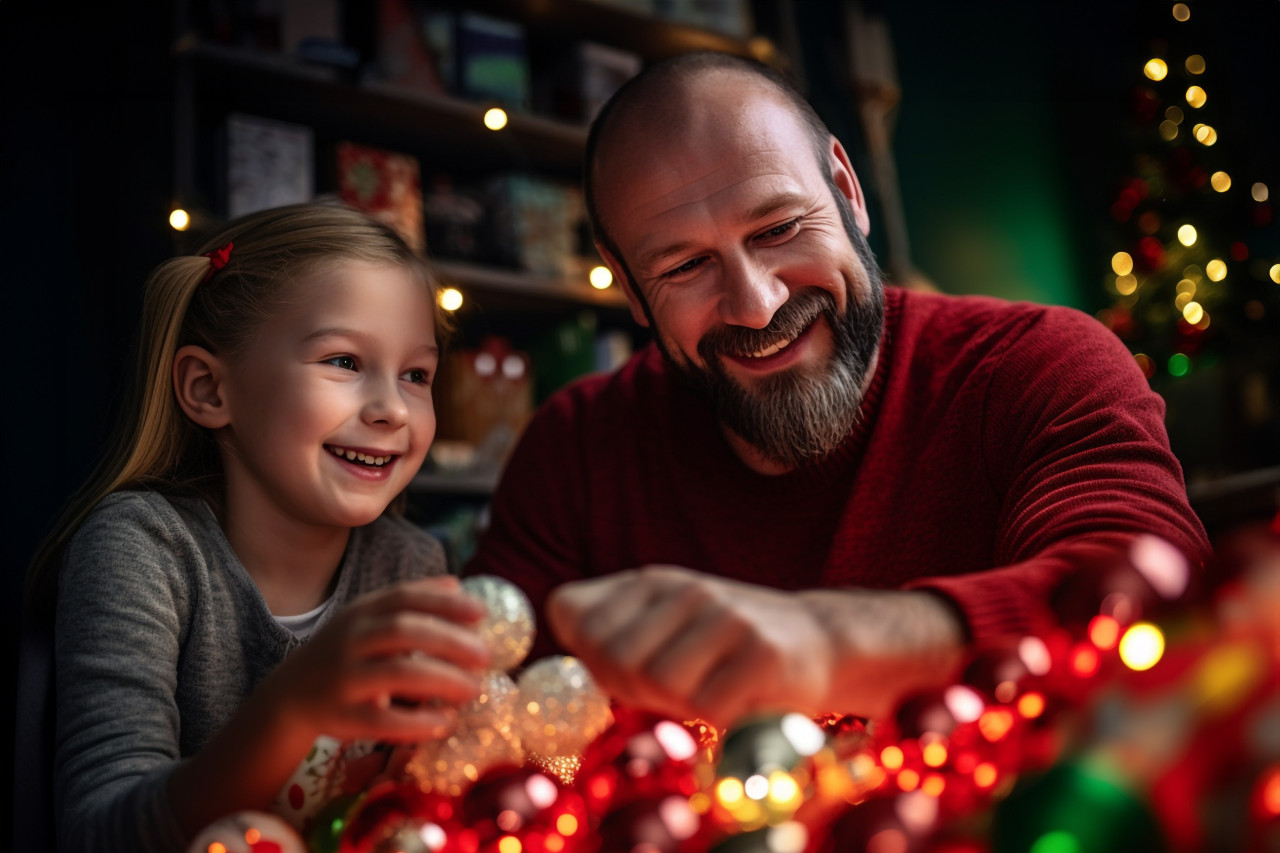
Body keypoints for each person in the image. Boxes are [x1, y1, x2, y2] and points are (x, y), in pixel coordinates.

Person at [464, 52, 1213, 729]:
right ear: (628, 286)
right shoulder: (575, 449)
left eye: (779, 227)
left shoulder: (1039, 363)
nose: (755, 305)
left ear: (848, 190)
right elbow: (479, 708)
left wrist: (825, 644)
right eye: (685, 267)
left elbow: (1157, 598)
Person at [24, 202, 492, 852]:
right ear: (209, 389)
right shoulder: (139, 544)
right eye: (344, 361)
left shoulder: (410, 563)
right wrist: (293, 707)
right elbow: (100, 830)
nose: (391, 408)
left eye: (417, 374)